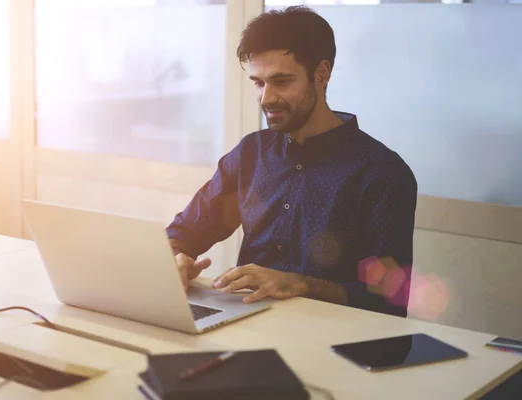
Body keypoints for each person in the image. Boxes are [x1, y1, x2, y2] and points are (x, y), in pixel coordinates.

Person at [165, 6, 417, 317]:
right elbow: (184, 233)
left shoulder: (381, 173)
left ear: (321, 75)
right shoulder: (249, 155)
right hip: (244, 326)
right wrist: (174, 258)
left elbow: (387, 300)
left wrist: (300, 284)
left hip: (330, 342)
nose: (266, 98)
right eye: (259, 82)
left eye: (281, 81)